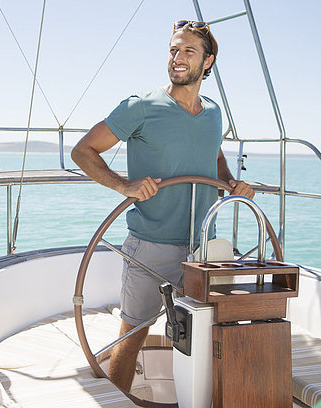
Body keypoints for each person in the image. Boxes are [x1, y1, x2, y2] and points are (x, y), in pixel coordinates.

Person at [71, 20, 255, 392]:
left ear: (208, 61)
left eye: (188, 51)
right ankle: (119, 400)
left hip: (205, 248)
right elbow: (83, 151)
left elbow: (212, 151)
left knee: (209, 336)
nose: (178, 57)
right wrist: (124, 185)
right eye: (173, 49)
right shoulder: (141, 107)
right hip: (150, 246)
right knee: (134, 334)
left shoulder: (214, 113)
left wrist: (230, 182)